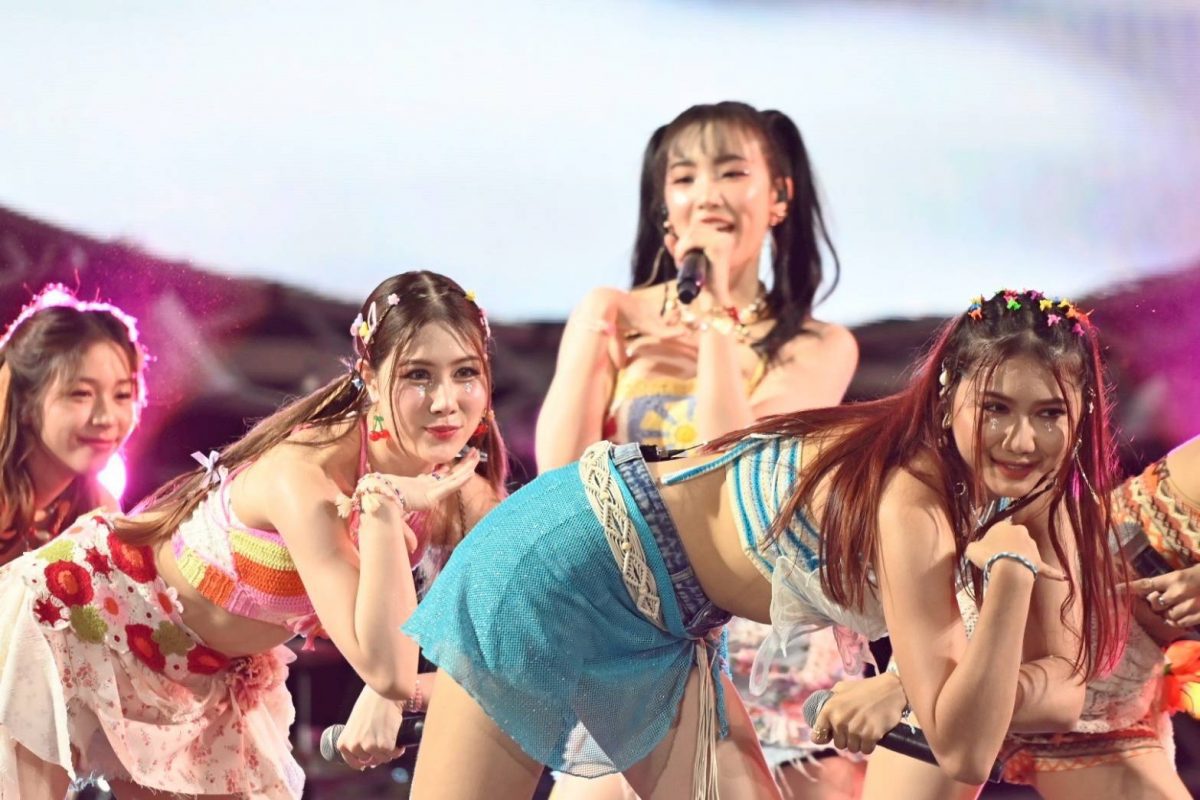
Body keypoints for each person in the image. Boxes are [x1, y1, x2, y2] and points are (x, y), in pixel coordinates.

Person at [405, 288, 1125, 799]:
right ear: (947, 394)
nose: (1021, 440)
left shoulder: (1044, 501)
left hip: (666, 615)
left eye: (1048, 414)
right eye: (995, 408)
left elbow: (1064, 692)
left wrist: (908, 683)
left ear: (1082, 410)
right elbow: (963, 743)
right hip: (559, 557)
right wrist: (1011, 579)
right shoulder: (915, 496)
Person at [0, 271, 507, 799]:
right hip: (77, 614)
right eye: (419, 375)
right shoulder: (304, 476)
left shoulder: (455, 486)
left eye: (465, 373)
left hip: (203, 676)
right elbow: (387, 669)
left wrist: (398, 695)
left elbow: (522, 641)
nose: (446, 401)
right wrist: (383, 506)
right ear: (371, 378)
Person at [538, 102, 879, 800]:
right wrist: (601, 327)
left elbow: (738, 465)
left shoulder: (817, 345)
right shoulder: (614, 315)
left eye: (731, 172)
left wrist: (716, 325)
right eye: (685, 177)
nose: (708, 195)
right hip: (638, 626)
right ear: (664, 208)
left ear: (779, 197)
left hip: (765, 632)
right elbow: (559, 477)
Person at [0, 284, 146, 569]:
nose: (106, 418)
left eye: (122, 395)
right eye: (81, 394)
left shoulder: (98, 508)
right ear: (26, 402)